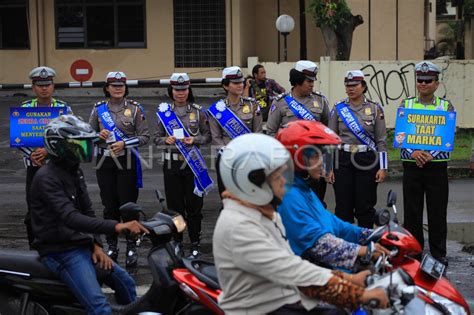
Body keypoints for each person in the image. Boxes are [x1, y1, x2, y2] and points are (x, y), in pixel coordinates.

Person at [213, 133, 389, 314]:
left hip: (284, 298)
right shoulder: (240, 226)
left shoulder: (263, 214)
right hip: (260, 308)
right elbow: (293, 271)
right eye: (277, 177)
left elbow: (295, 263)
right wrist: (357, 294)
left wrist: (348, 277)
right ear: (252, 181)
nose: (284, 182)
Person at [30, 115, 148, 315]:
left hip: (81, 244)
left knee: (126, 283)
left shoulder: (75, 171)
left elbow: (87, 211)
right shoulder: (46, 178)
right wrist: (117, 226)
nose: (85, 149)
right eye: (79, 144)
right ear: (60, 147)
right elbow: (70, 218)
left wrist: (96, 245)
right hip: (61, 252)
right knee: (99, 306)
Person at [276, 120, 390, 271]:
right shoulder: (288, 196)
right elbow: (319, 245)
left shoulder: (304, 189)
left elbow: (337, 226)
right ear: (298, 158)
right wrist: (366, 251)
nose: (322, 163)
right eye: (316, 157)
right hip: (309, 281)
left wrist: (374, 234)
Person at [89, 71, 150, 268]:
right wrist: (99, 135)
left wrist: (124, 143)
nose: (117, 88)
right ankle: (112, 246)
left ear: (125, 87)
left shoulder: (135, 109)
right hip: (104, 163)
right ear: (107, 88)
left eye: (121, 85)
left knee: (128, 206)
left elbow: (145, 137)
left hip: (127, 161)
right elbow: (88, 135)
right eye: (113, 85)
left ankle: (131, 246)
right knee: (109, 206)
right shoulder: (98, 110)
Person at [399, 61, 454, 266]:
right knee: (412, 211)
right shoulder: (407, 104)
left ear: (437, 83)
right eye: (419, 80)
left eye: (427, 80)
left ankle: (439, 253)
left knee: (437, 211)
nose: (422, 84)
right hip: (412, 165)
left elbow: (447, 136)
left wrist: (430, 153)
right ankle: (414, 251)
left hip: (436, 167)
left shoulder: (445, 106)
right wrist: (415, 152)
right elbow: (401, 135)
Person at [154, 73, 212, 258]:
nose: (181, 93)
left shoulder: (198, 111)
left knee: (195, 207)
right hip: (172, 165)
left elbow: (207, 136)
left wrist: (194, 139)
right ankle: (178, 241)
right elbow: (156, 139)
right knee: (175, 207)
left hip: (193, 165)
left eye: (184, 89)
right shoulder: (164, 113)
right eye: (177, 89)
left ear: (189, 90)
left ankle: (195, 242)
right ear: (171, 90)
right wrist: (166, 139)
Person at [17, 66, 72, 248]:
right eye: (40, 85)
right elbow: (18, 138)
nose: (44, 88)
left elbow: (71, 137)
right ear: (33, 87)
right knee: (34, 210)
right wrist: (32, 154)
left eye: (47, 84)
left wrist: (49, 151)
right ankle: (36, 247)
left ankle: (60, 247)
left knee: (60, 208)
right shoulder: (24, 109)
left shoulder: (63, 109)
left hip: (57, 167)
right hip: (33, 167)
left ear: (53, 86)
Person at [327, 70, 388, 228]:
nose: (350, 88)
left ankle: (366, 246)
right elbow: (330, 139)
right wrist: (328, 167)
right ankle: (344, 247)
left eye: (354, 85)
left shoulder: (375, 109)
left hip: (366, 160)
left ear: (363, 86)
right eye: (347, 85)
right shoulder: (338, 108)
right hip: (343, 159)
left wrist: (383, 167)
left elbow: (381, 140)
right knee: (343, 207)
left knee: (365, 207)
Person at [266, 60, 331, 206]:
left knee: (316, 204)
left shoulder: (320, 101)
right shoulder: (280, 102)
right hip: (289, 164)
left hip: (315, 163)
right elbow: (271, 133)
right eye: (308, 81)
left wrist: (328, 165)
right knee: (290, 204)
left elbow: (328, 134)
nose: (312, 84)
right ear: (297, 81)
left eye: (313, 80)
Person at [208, 66, 262, 195]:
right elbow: (216, 138)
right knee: (228, 197)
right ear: (226, 86)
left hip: (249, 157)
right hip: (227, 159)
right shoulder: (216, 109)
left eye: (241, 82)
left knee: (250, 196)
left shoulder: (253, 105)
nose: (240, 85)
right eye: (235, 83)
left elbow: (258, 133)